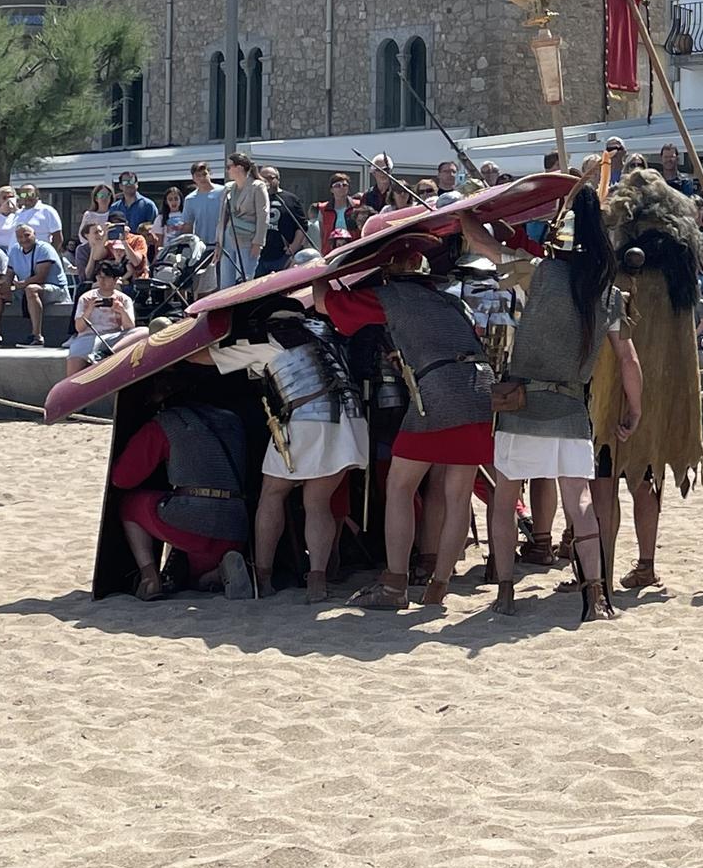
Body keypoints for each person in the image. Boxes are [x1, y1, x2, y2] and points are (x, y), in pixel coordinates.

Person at [468, 190, 642, 620]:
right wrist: (634, 409)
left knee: (506, 497)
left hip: (523, 404)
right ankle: (596, 595)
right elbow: (628, 359)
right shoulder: (609, 296)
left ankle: (506, 591)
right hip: (570, 409)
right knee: (579, 501)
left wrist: (470, 211)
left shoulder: (540, 274)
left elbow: (480, 243)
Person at [320, 216, 495, 609]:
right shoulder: (449, 297)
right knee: (457, 494)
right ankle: (439, 585)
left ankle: (395, 585)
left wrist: (324, 271)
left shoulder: (391, 297)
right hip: (479, 391)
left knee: (399, 486)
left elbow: (326, 305)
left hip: (438, 396)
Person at [591, 169, 703, 593]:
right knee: (645, 476)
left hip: (618, 394)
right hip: (655, 396)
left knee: (608, 477)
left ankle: (601, 569)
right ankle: (645, 564)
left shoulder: (625, 270)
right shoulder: (681, 276)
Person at [247, 304, 370, 602]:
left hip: (308, 421)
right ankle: (317, 580)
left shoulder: (266, 340)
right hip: (350, 420)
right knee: (317, 502)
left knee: (272, 494)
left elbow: (207, 359)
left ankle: (262, 578)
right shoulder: (325, 333)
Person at [111, 401, 253, 601]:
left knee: (129, 506)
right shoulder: (233, 421)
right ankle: (217, 574)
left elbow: (122, 478)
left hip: (191, 520)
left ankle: (149, 577)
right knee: (193, 579)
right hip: (235, 524)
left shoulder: (168, 421)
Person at [1, 221, 69, 346]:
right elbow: (9, 274)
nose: (24, 239)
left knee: (31, 289)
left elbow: (40, 277)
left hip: (55, 289)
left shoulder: (44, 249)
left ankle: (37, 336)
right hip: (24, 288)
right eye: (20, 237)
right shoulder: (15, 250)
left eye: (27, 235)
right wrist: (4, 286)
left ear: (34, 234)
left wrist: (22, 284)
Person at [67, 259, 135, 375]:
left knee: (144, 331)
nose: (102, 281)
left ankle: (105, 352)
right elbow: (79, 328)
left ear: (115, 280)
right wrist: (89, 309)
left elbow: (130, 327)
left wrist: (121, 311)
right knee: (73, 368)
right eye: (99, 277)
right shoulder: (86, 298)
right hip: (89, 336)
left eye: (106, 278)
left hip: (114, 336)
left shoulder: (124, 299)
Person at [220, 153, 269, 287]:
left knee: (244, 280)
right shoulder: (229, 188)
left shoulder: (257, 186)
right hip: (229, 237)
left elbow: (263, 215)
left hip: (248, 239)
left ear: (239, 168)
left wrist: (258, 242)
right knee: (226, 282)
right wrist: (219, 242)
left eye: (229, 166)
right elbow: (222, 217)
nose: (227, 170)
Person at [257, 167, 310, 276]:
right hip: (258, 255)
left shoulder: (290, 199)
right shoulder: (256, 198)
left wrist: (292, 248)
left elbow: (301, 226)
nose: (266, 181)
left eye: (270, 178)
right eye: (263, 178)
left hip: (282, 256)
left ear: (278, 180)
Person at [315, 172, 366, 253]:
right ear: (331, 190)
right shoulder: (323, 209)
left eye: (345, 185)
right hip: (330, 252)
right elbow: (322, 235)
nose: (341, 187)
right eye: (337, 185)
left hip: (353, 251)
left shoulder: (358, 206)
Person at [111, 172, 160, 250]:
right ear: (120, 186)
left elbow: (156, 231)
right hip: (120, 251)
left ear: (137, 184)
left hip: (143, 250)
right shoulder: (114, 208)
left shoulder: (148, 205)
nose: (128, 184)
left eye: (131, 181)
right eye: (125, 182)